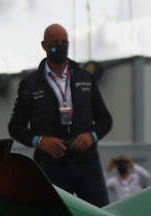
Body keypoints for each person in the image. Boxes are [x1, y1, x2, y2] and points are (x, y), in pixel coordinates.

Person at [8, 23, 113, 206]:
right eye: (55, 43)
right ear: (44, 46)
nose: (60, 46)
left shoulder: (84, 77)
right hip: (50, 166)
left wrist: (91, 136)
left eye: (64, 42)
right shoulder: (30, 83)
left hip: (86, 164)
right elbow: (15, 127)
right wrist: (39, 141)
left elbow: (105, 120)